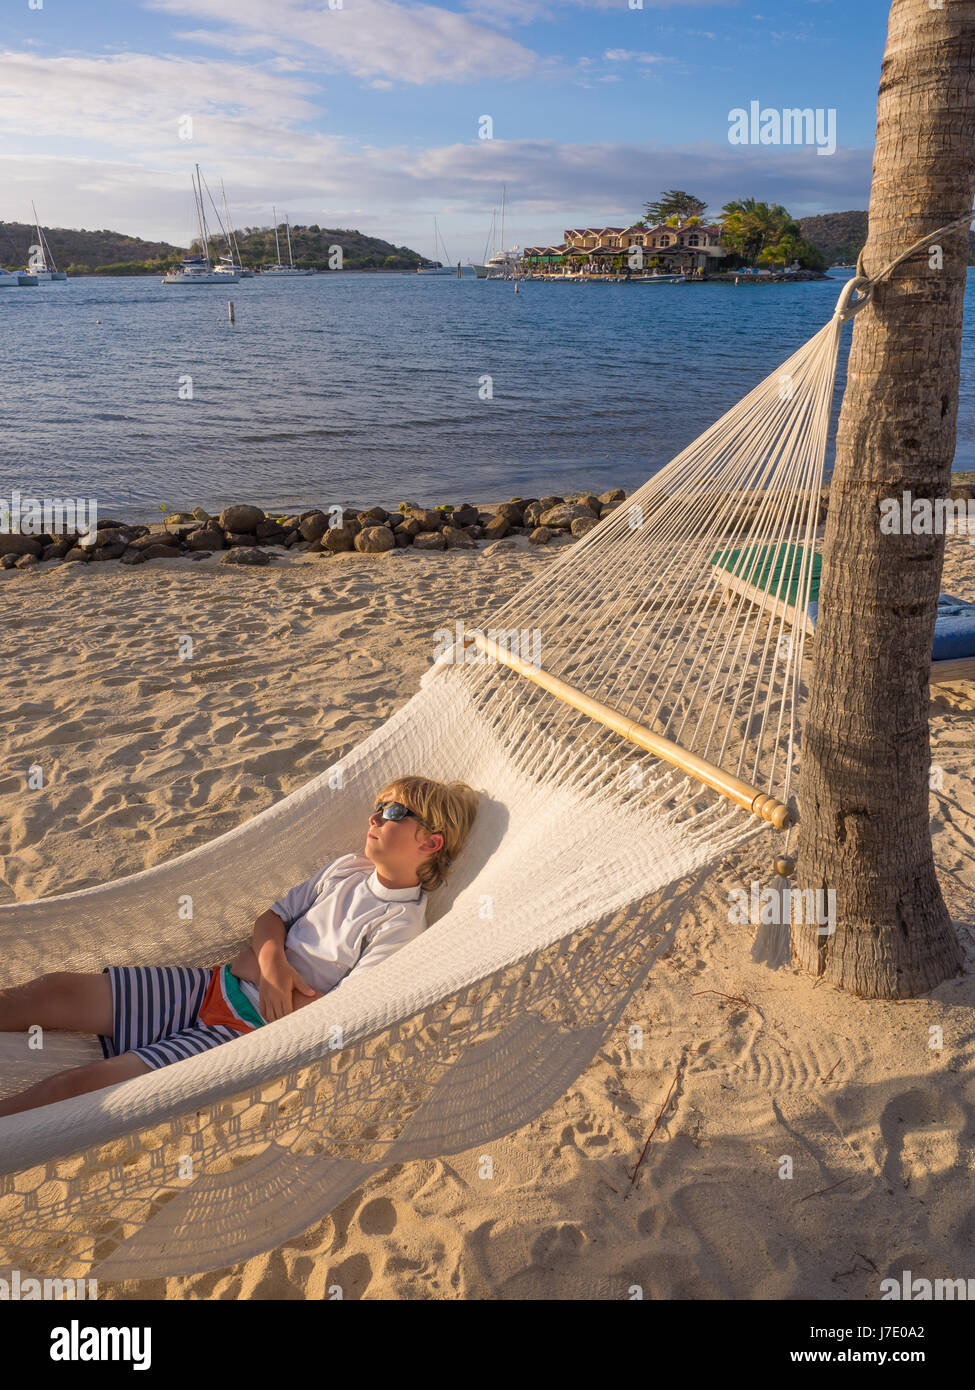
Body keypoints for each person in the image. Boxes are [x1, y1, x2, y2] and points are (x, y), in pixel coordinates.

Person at [0, 776, 479, 1118]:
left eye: (394, 812)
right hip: (209, 985)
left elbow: (344, 1015)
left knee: (83, 1087)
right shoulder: (346, 870)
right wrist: (271, 964)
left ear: (431, 841)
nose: (375, 816)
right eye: (379, 805)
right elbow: (269, 919)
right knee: (54, 991)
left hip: (241, 1036)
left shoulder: (399, 924)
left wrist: (266, 964)